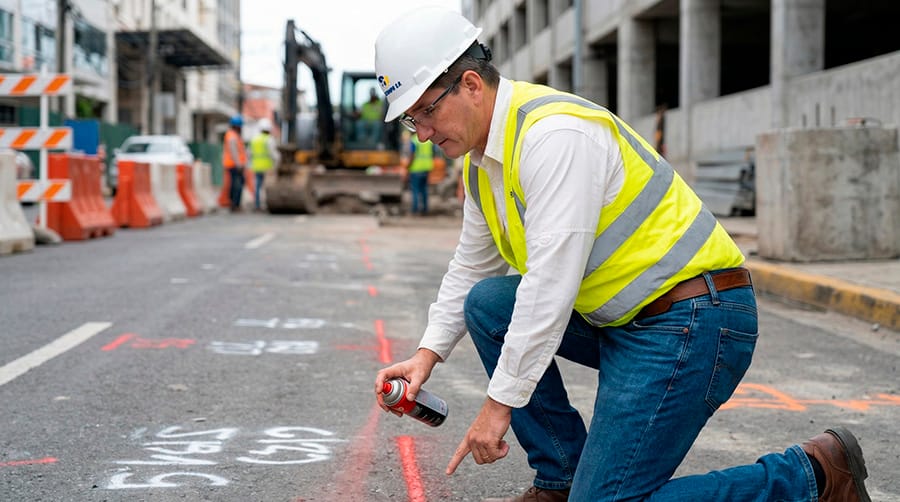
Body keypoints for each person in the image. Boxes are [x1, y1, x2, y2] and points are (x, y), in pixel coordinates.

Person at [372, 7, 870, 502]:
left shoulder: (554, 136)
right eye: (413, 121)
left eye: (427, 111)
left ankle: (815, 475)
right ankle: (561, 479)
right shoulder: (482, 166)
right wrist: (425, 356)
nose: (425, 132)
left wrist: (499, 405)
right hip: (627, 322)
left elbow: (549, 285)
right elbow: (471, 268)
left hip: (694, 318)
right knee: (487, 304)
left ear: (472, 84)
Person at [249, 118, 280, 211]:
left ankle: (257, 204)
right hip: (267, 167)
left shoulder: (254, 139)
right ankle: (267, 204)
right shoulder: (269, 139)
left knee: (257, 186)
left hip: (256, 167)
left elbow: (250, 153)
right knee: (267, 186)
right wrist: (278, 162)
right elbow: (273, 154)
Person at [405, 134, 435, 215]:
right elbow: (433, 153)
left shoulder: (414, 140)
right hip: (426, 167)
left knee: (415, 190)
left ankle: (415, 210)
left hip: (416, 168)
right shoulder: (429, 140)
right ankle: (425, 210)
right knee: (424, 189)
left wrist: (408, 166)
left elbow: (412, 155)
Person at [223, 115, 248, 212]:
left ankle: (235, 204)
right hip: (234, 165)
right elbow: (234, 152)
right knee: (237, 185)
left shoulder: (234, 135)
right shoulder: (232, 136)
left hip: (234, 164)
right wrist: (239, 165)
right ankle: (234, 205)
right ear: (237, 126)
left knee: (236, 184)